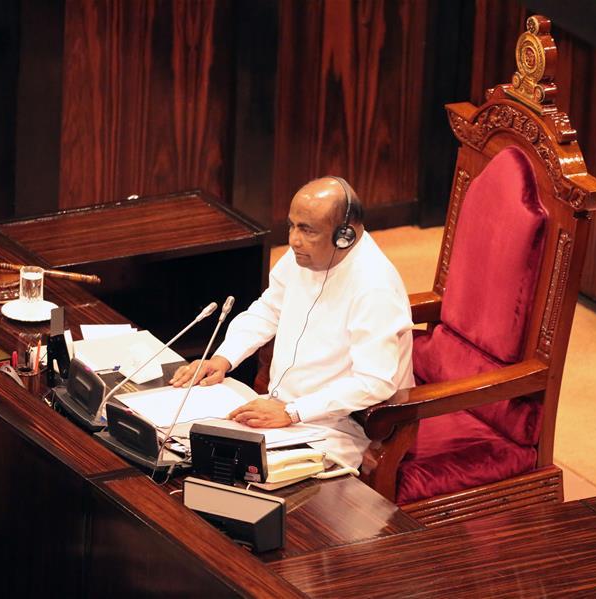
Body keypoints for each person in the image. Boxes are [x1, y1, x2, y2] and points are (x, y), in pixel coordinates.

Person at [169, 176, 414, 468]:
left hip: (338, 427)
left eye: (307, 230)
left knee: (233, 468)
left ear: (344, 236)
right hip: (280, 408)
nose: (293, 239)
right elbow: (269, 308)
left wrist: (294, 412)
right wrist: (224, 357)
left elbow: (374, 382)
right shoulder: (305, 254)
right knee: (183, 440)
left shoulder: (375, 288)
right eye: (292, 225)